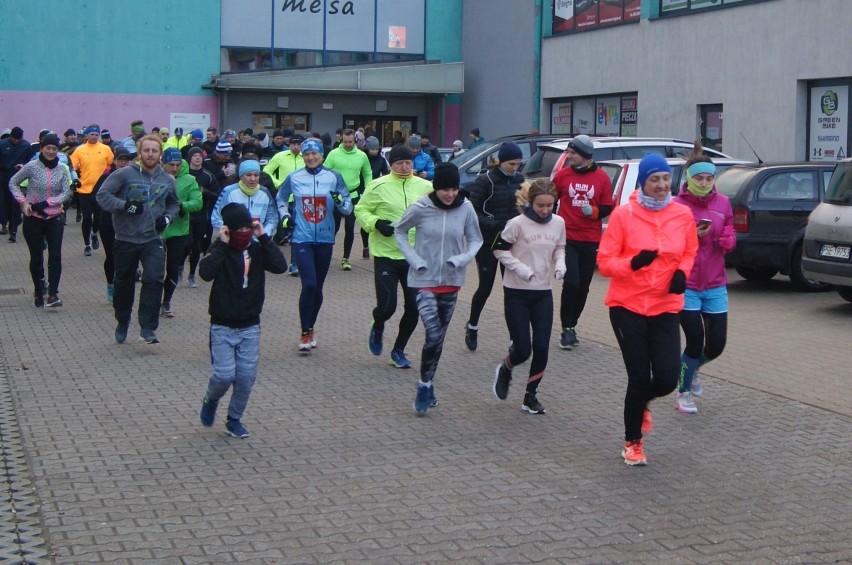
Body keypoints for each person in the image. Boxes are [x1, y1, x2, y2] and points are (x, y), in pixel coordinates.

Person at [597, 154, 698, 466]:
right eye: (655, 179)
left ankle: (642, 403)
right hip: (627, 305)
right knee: (639, 377)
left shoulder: (682, 215)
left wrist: (682, 272)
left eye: (666, 179)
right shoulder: (623, 216)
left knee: (667, 379)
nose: (662, 185)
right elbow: (604, 263)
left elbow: (690, 250)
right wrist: (633, 263)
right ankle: (633, 442)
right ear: (643, 182)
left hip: (666, 305)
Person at [394, 163, 482, 414]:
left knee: (438, 340)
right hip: (423, 281)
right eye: (445, 189)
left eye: (454, 189)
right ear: (436, 188)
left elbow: (476, 238)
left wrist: (463, 258)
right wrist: (414, 260)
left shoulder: (465, 208)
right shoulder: (421, 207)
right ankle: (423, 385)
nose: (450, 194)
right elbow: (399, 231)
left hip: (452, 281)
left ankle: (428, 381)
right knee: (432, 334)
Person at [198, 203, 287, 439]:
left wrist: (264, 237)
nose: (244, 232)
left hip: (250, 326)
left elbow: (280, 266)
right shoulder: (221, 250)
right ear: (228, 229)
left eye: (248, 227)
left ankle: (234, 419)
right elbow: (205, 273)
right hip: (222, 326)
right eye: (240, 229)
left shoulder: (257, 250)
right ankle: (211, 398)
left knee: (246, 377)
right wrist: (220, 243)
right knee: (224, 375)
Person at [491, 178, 566, 415]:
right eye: (540, 206)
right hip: (516, 292)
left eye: (550, 206)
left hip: (543, 292)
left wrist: (561, 263)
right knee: (523, 349)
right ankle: (506, 368)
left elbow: (560, 247)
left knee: (542, 347)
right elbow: (498, 249)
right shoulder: (517, 224)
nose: (545, 211)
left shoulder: (559, 223)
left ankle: (530, 396)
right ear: (530, 202)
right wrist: (520, 268)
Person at [96, 134, 180, 345]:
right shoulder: (124, 174)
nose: (150, 154)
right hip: (126, 239)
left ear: (160, 154)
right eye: (146, 150)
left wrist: (167, 218)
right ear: (140, 153)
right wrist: (124, 205)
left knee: (154, 280)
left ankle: (148, 327)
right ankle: (122, 320)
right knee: (124, 283)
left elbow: (173, 204)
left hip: (153, 239)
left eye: (154, 151)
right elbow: (102, 195)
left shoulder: (167, 179)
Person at [355, 145, 433, 368]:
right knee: (388, 306)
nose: (404, 167)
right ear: (391, 164)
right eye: (399, 163)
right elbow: (360, 210)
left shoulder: (426, 186)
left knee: (414, 308)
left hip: (415, 257)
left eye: (408, 163)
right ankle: (378, 323)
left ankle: (398, 351)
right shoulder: (378, 186)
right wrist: (376, 224)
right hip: (386, 253)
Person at [672, 152, 736, 414]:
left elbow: (730, 230)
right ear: (689, 178)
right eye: (699, 177)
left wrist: (728, 241)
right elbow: (668, 243)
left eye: (709, 177)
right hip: (686, 284)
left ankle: (693, 366)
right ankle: (683, 392)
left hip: (715, 283)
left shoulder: (723, 203)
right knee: (695, 340)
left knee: (716, 344)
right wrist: (692, 236)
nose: (705, 182)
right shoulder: (677, 206)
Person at [276, 138, 352, 351]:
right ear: (302, 156)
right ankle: (304, 332)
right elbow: (280, 198)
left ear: (321, 155)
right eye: (306, 154)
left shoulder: (334, 177)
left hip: (326, 238)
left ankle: (310, 329)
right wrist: (284, 216)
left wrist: (339, 202)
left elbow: (348, 208)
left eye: (314, 154)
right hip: (302, 237)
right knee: (308, 284)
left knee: (317, 287)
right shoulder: (294, 177)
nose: (310, 158)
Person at [552, 134, 613, 350]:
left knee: (584, 287)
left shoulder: (602, 178)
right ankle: (566, 329)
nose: (569, 156)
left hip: (590, 238)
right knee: (572, 283)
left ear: (586, 156)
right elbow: (550, 201)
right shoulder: (562, 176)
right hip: (567, 237)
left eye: (574, 153)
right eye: (569, 152)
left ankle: (573, 324)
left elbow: (607, 206)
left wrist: (594, 211)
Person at [463, 141, 525, 351]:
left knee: (512, 291)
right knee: (485, 288)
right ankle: (472, 325)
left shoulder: (519, 179)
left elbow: (524, 207)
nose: (514, 168)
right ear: (501, 161)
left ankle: (514, 338)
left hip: (511, 245)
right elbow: (473, 211)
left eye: (518, 164)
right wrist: (493, 224)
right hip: (488, 243)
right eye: (511, 164)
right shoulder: (485, 180)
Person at [8, 133, 72, 308]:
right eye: (48, 148)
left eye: (54, 149)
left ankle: (53, 294)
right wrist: (23, 202)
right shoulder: (32, 167)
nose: (51, 152)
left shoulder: (62, 169)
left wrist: (48, 203)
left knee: (55, 255)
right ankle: (38, 288)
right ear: (41, 149)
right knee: (36, 257)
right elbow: (13, 182)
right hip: (33, 217)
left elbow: (67, 192)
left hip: (54, 216)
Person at [159, 148, 202, 318]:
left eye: (177, 165)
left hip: (179, 231)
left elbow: (197, 202)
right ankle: (153, 300)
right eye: (171, 165)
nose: (174, 168)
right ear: (164, 164)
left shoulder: (190, 179)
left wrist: (181, 206)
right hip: (158, 231)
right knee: (155, 269)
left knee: (172, 268)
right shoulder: (156, 176)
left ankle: (166, 301)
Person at [324, 128, 372, 271]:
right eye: (345, 142)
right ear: (341, 140)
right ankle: (325, 256)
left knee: (350, 228)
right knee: (333, 228)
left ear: (355, 141)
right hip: (336, 195)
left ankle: (346, 258)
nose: (348, 144)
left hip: (353, 195)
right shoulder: (333, 154)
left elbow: (367, 173)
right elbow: (325, 173)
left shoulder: (361, 155)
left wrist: (368, 189)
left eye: (350, 142)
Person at [91, 146, 134, 303]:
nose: (123, 163)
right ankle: (111, 284)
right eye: (120, 160)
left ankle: (123, 285)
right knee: (111, 255)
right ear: (114, 161)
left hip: (128, 222)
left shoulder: (134, 177)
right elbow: (97, 196)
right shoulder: (105, 177)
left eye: (126, 160)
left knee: (127, 255)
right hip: (108, 222)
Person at [70, 124, 113, 256]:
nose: (94, 137)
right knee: (87, 217)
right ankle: (87, 244)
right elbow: (72, 166)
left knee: (99, 218)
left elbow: (111, 164)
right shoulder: (79, 150)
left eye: (96, 134)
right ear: (86, 136)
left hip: (100, 189)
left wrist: (107, 172)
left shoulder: (105, 149)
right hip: (84, 189)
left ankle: (94, 233)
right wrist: (75, 176)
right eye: (92, 134)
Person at [210, 159, 278, 241]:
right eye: (248, 175)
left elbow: (272, 218)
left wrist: (264, 234)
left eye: (256, 175)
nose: (253, 179)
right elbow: (215, 217)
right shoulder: (228, 191)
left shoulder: (265, 192)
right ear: (241, 176)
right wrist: (230, 233)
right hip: (234, 241)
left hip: (258, 242)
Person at [185, 146, 221, 288]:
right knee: (185, 245)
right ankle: (180, 266)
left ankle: (192, 275)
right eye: (195, 155)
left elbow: (217, 195)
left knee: (196, 247)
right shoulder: (184, 174)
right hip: (185, 216)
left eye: (200, 155)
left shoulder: (208, 176)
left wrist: (204, 191)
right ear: (190, 158)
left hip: (201, 217)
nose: (198, 157)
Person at [0, 127, 34, 241]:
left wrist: (23, 165)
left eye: (18, 139)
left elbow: (31, 161)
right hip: (3, 177)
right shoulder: (3, 144)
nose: (16, 141)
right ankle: (5, 222)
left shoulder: (26, 146)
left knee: (15, 204)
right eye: (14, 139)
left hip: (18, 178)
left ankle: (13, 229)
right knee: (4, 204)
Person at [362, 136, 388, 259]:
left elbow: (386, 174)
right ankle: (365, 246)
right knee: (365, 220)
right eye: (372, 149)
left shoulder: (381, 160)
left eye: (376, 149)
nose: (374, 151)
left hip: (377, 190)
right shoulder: (362, 157)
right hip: (364, 190)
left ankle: (374, 244)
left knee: (376, 217)